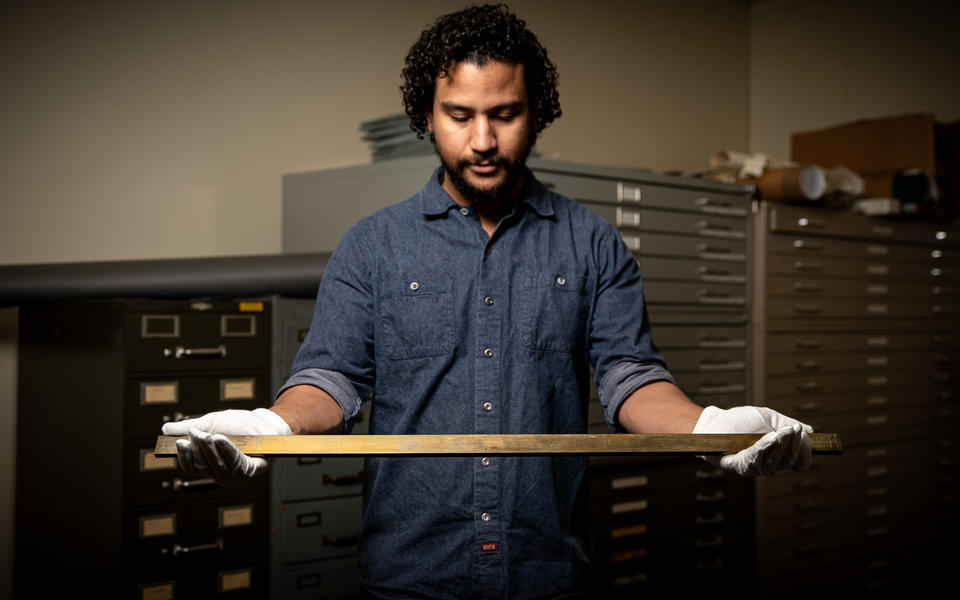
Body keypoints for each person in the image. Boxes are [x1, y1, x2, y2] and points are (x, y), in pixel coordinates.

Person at [163, 4, 812, 598]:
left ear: (537, 112)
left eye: (504, 114)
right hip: (411, 573)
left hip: (549, 571)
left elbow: (629, 377)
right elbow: (333, 376)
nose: (481, 140)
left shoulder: (593, 244)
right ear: (426, 113)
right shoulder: (371, 246)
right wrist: (269, 427)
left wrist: (707, 429)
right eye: (460, 115)